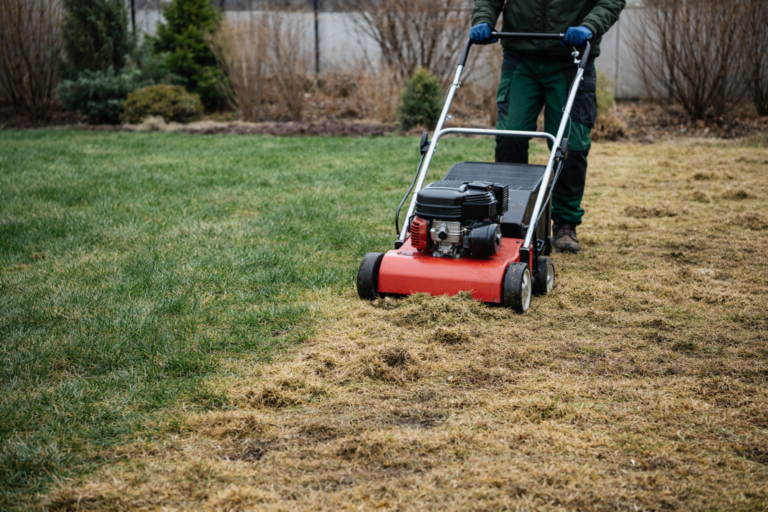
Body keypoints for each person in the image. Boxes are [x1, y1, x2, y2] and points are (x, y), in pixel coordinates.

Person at [470, 0, 625, 253]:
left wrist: (589, 26)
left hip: (572, 57)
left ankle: (565, 223)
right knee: (510, 135)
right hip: (521, 57)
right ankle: (511, 217)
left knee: (571, 144)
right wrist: (483, 20)